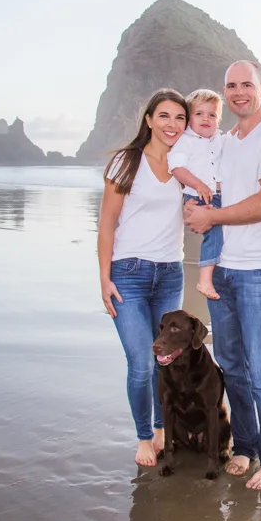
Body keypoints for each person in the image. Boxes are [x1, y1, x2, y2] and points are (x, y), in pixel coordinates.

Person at [184, 60, 261, 490]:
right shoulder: (224, 141)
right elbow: (207, 193)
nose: (238, 93)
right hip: (224, 273)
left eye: (246, 85)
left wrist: (211, 215)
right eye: (230, 86)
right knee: (232, 365)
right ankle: (246, 447)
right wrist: (194, 211)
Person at [97, 88, 189, 467]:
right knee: (141, 362)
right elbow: (106, 224)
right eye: (164, 116)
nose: (172, 124)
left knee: (165, 360)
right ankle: (143, 438)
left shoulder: (187, 162)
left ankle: (163, 429)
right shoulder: (127, 161)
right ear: (149, 119)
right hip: (129, 275)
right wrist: (104, 279)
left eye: (180, 118)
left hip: (170, 273)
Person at [167, 89, 226, 300]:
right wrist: (198, 184)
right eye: (199, 114)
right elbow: (176, 168)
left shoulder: (221, 139)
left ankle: (215, 271)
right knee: (215, 230)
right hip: (196, 195)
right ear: (189, 118)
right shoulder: (186, 141)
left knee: (224, 231)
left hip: (217, 195)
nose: (205, 119)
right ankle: (204, 278)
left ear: (219, 119)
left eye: (212, 115)